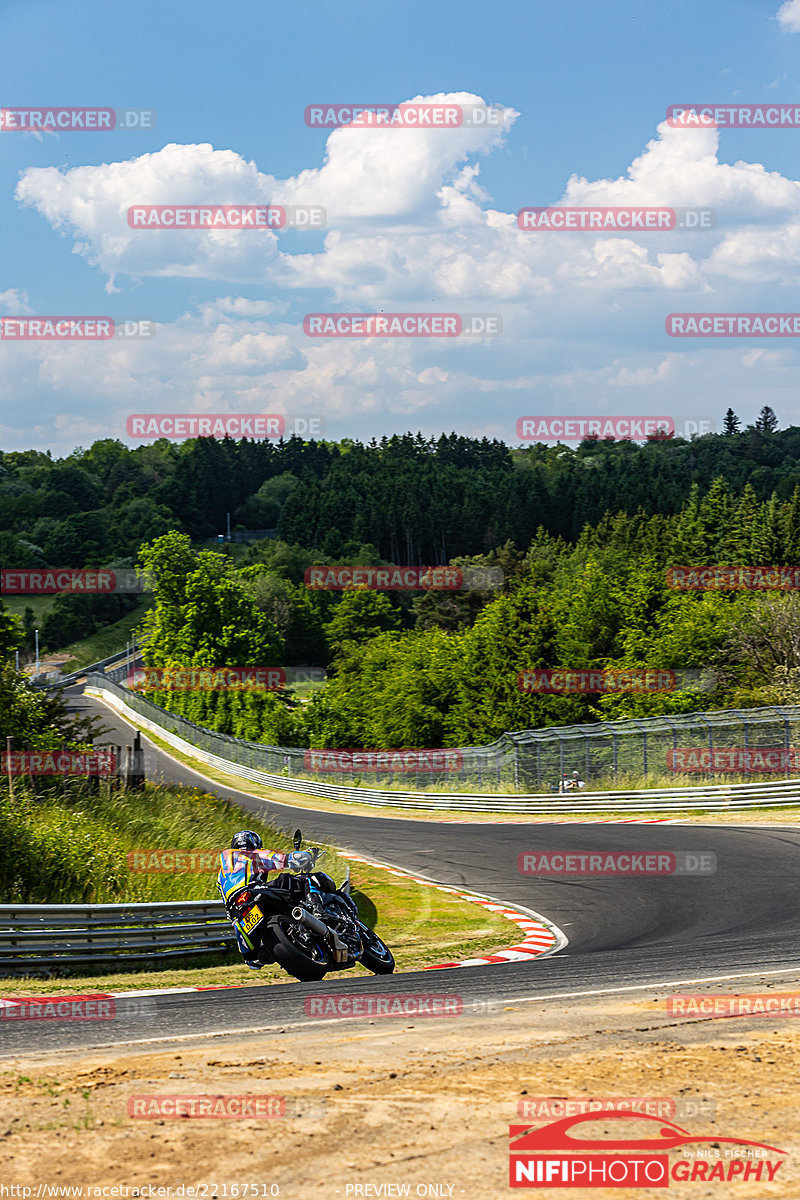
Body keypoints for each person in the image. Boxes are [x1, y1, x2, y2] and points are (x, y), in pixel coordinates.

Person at [219, 830, 312, 970]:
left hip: (236, 909)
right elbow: (280, 860)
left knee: (252, 958)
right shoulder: (254, 854)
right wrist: (302, 856)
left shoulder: (221, 872)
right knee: (298, 880)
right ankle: (316, 909)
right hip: (253, 891)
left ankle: (274, 944)